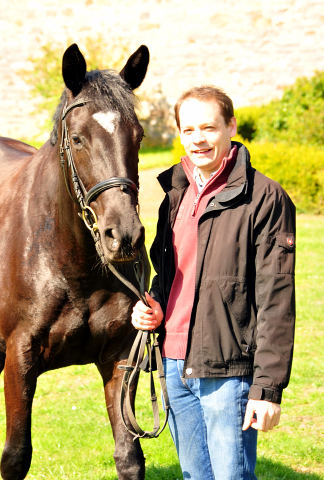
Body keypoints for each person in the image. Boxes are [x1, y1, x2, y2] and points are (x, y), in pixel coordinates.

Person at [131, 85, 295, 480]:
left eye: (208, 127)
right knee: (194, 476)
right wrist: (152, 304)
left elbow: (276, 299)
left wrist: (267, 389)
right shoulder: (175, 193)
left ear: (231, 126)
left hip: (228, 371)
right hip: (173, 363)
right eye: (188, 130)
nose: (198, 139)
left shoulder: (265, 198)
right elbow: (166, 272)